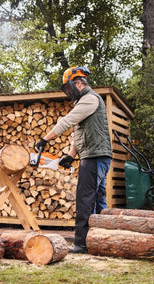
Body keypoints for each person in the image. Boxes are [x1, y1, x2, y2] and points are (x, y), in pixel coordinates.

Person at [35, 66, 112, 253]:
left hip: (95, 156)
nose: (68, 92)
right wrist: (70, 155)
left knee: (85, 198)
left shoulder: (90, 99)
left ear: (78, 83)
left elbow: (67, 122)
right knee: (98, 198)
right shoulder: (83, 103)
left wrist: (45, 138)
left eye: (69, 88)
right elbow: (78, 133)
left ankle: (82, 243)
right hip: (94, 155)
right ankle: (104, 239)